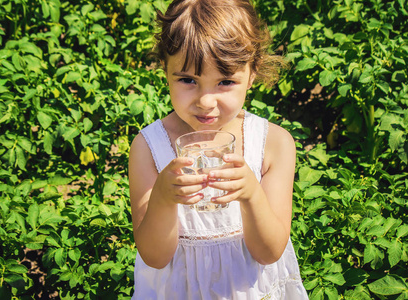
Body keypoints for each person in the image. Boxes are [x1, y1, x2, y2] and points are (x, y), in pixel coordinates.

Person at [128, 0, 309, 298]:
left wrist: (252, 194)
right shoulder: (150, 147)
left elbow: (270, 252)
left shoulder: (273, 144)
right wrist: (162, 197)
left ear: (253, 73)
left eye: (225, 82)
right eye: (188, 80)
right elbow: (155, 257)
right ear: (165, 68)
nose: (205, 102)